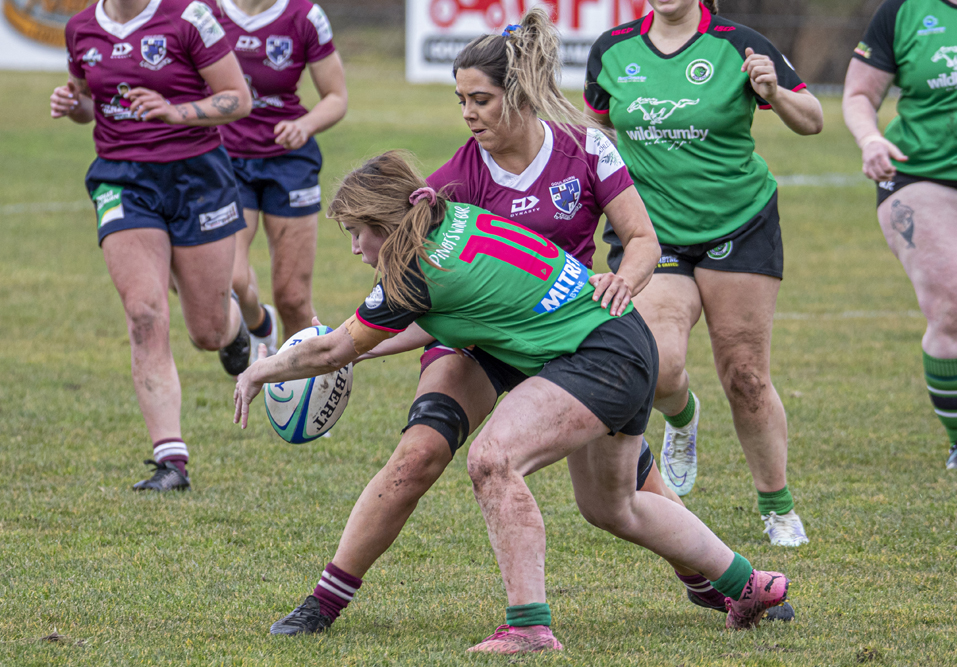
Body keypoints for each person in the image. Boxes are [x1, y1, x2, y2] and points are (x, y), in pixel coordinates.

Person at [262, 10, 789, 636]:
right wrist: (351, 347)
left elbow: (642, 239)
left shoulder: (584, 146)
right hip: (480, 339)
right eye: (459, 100)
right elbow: (419, 293)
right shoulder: (453, 182)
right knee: (418, 453)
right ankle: (324, 602)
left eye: (479, 99)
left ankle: (716, 581)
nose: (467, 113)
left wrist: (626, 280)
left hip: (567, 330)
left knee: (621, 485)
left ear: (517, 94)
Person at [584, 0, 823, 546]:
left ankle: (777, 505)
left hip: (740, 225)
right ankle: (682, 416)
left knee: (746, 376)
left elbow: (813, 120)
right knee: (660, 367)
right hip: (654, 234)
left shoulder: (738, 44)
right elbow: (595, 135)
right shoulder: (612, 50)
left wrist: (775, 92)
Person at [52, 0, 253, 491]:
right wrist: (73, 107)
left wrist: (174, 111)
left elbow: (238, 98)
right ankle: (171, 461)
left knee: (207, 331)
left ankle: (233, 326)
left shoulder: (189, 17)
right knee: (144, 310)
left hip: (196, 177)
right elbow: (90, 103)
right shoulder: (81, 28)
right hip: (121, 179)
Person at [843, 0, 957, 471]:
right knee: (953, 301)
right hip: (921, 175)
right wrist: (870, 138)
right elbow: (858, 94)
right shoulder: (901, 11)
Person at [215, 0, 348, 358]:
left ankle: (298, 382)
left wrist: (305, 125)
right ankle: (260, 324)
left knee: (293, 297)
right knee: (231, 280)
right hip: (227, 160)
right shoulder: (207, 12)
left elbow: (337, 97)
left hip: (289, 163)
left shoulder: (305, 16)